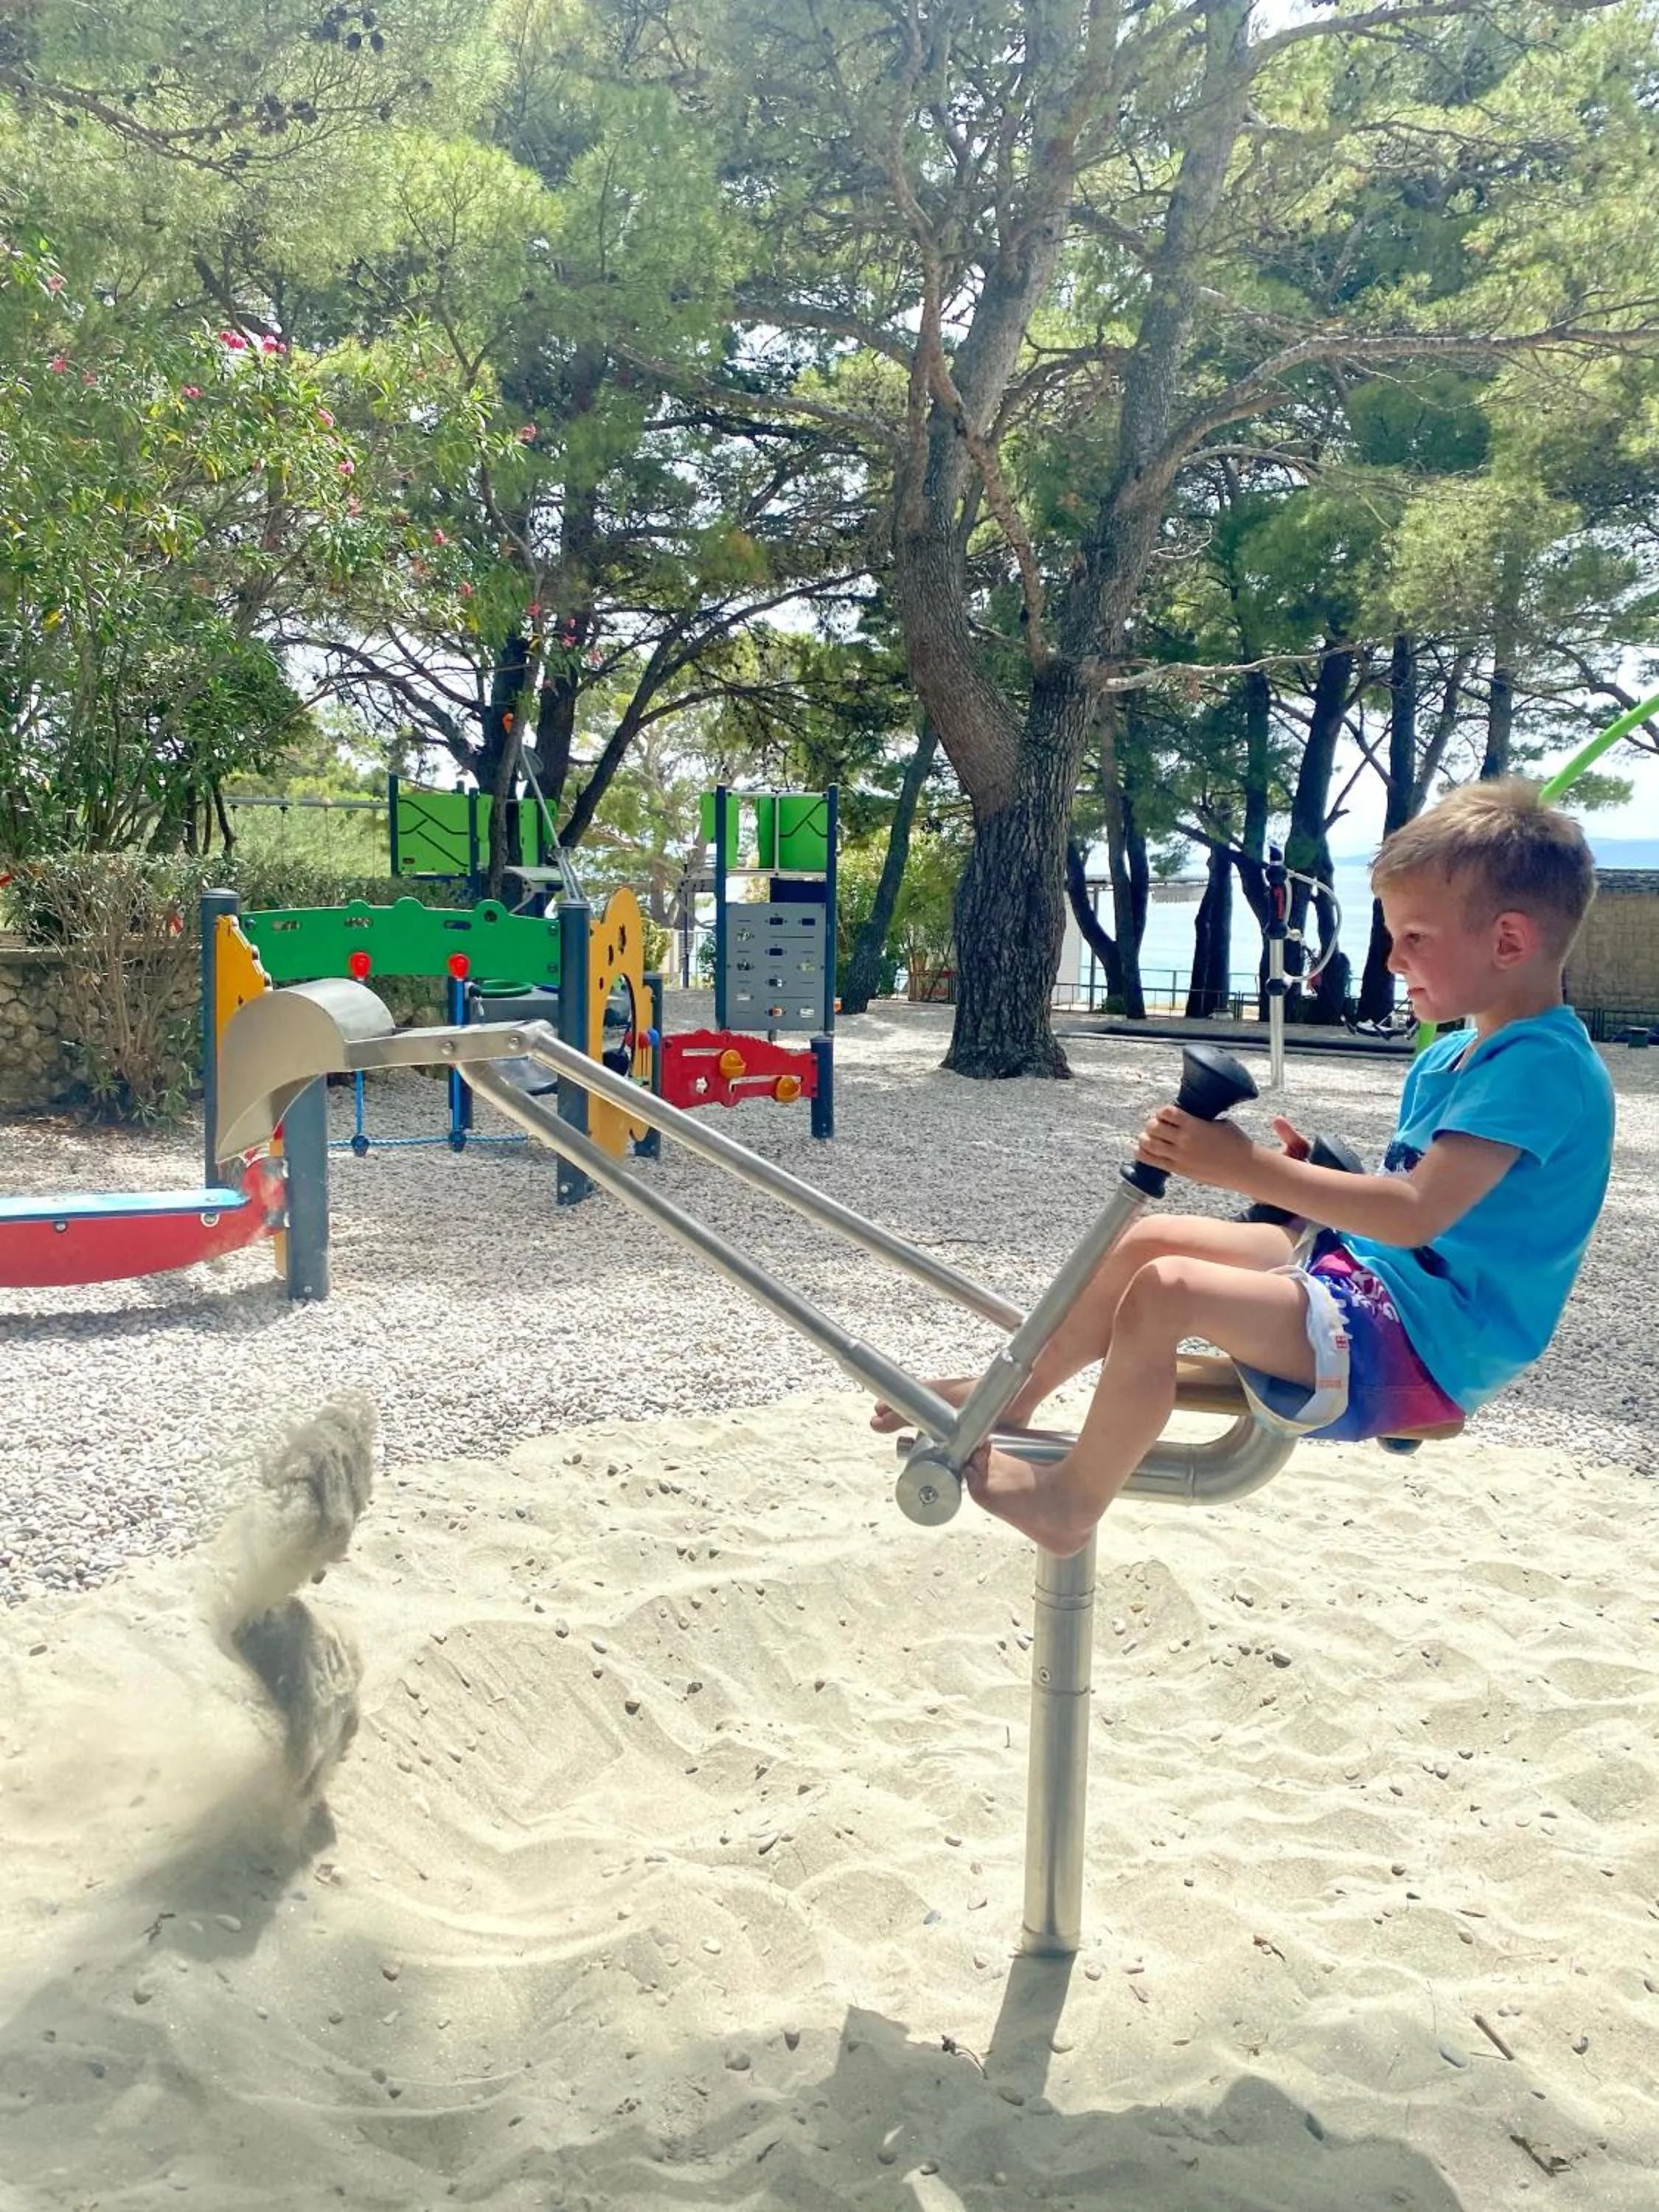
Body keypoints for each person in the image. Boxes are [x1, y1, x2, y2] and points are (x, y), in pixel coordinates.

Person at [874, 779, 1615, 1557]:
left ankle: (1071, 1502)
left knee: (1167, 1292)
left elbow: (1414, 1212)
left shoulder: (1540, 1067)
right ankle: (1012, 1400)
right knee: (1148, 1244)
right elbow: (1424, 1215)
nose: (1392, 958)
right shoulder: (1463, 1058)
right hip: (1378, 1286)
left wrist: (1249, 1168)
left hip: (1426, 1343)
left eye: (1415, 938)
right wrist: (1306, 1191)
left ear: (1508, 942)